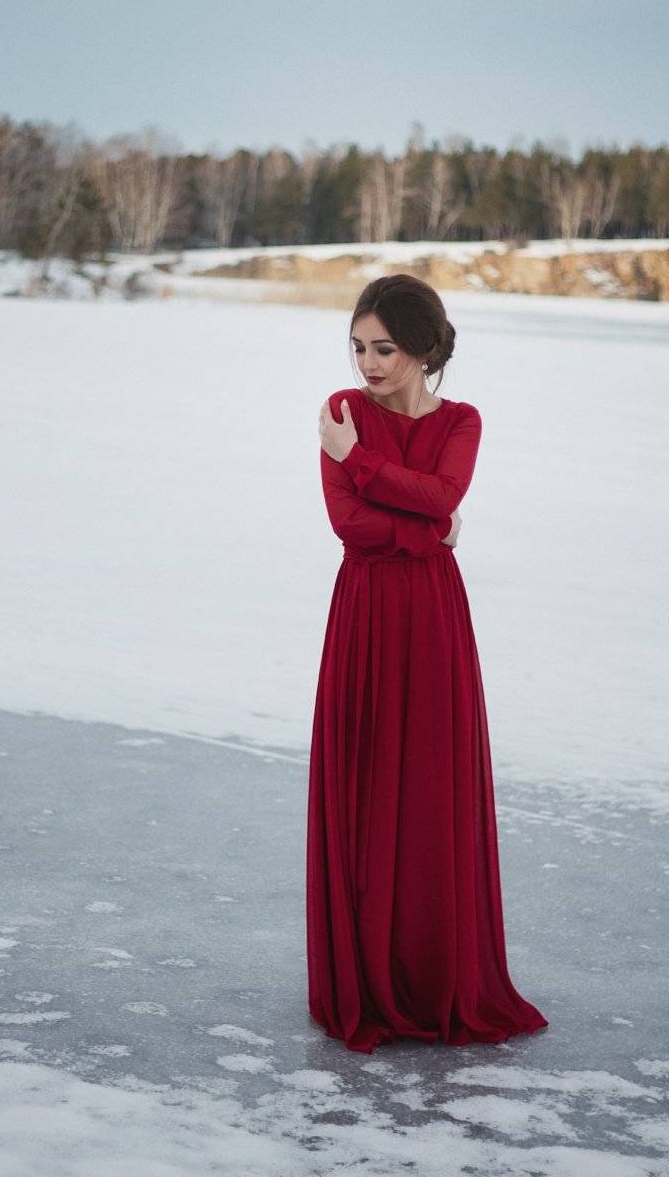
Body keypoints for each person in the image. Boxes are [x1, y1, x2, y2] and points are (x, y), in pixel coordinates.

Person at [306, 274, 549, 1053]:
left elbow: (442, 494)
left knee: (431, 783)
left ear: (423, 349)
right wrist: (428, 528)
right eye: (358, 347)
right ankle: (369, 979)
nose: (367, 364)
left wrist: (374, 474)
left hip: (434, 622)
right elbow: (354, 528)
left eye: (384, 348)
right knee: (369, 780)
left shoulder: (462, 421)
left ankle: (433, 969)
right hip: (367, 612)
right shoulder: (342, 416)